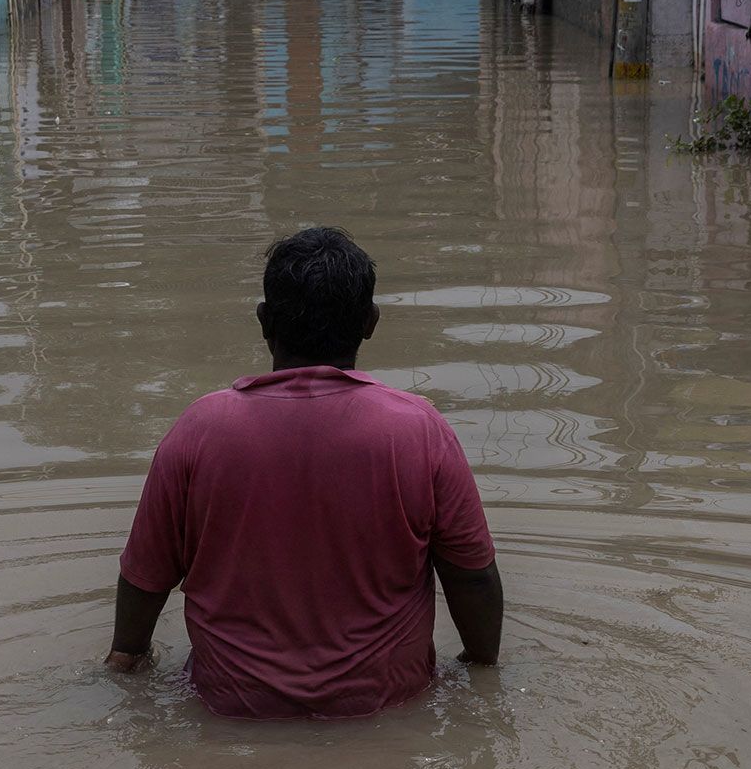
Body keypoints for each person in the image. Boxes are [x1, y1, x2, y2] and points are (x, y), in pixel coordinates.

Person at [107, 226, 503, 716]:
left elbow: (146, 575)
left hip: (232, 706)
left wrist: (126, 659)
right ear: (370, 322)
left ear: (264, 320)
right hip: (383, 705)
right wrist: (481, 669)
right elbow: (472, 577)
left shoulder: (199, 428)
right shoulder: (418, 429)